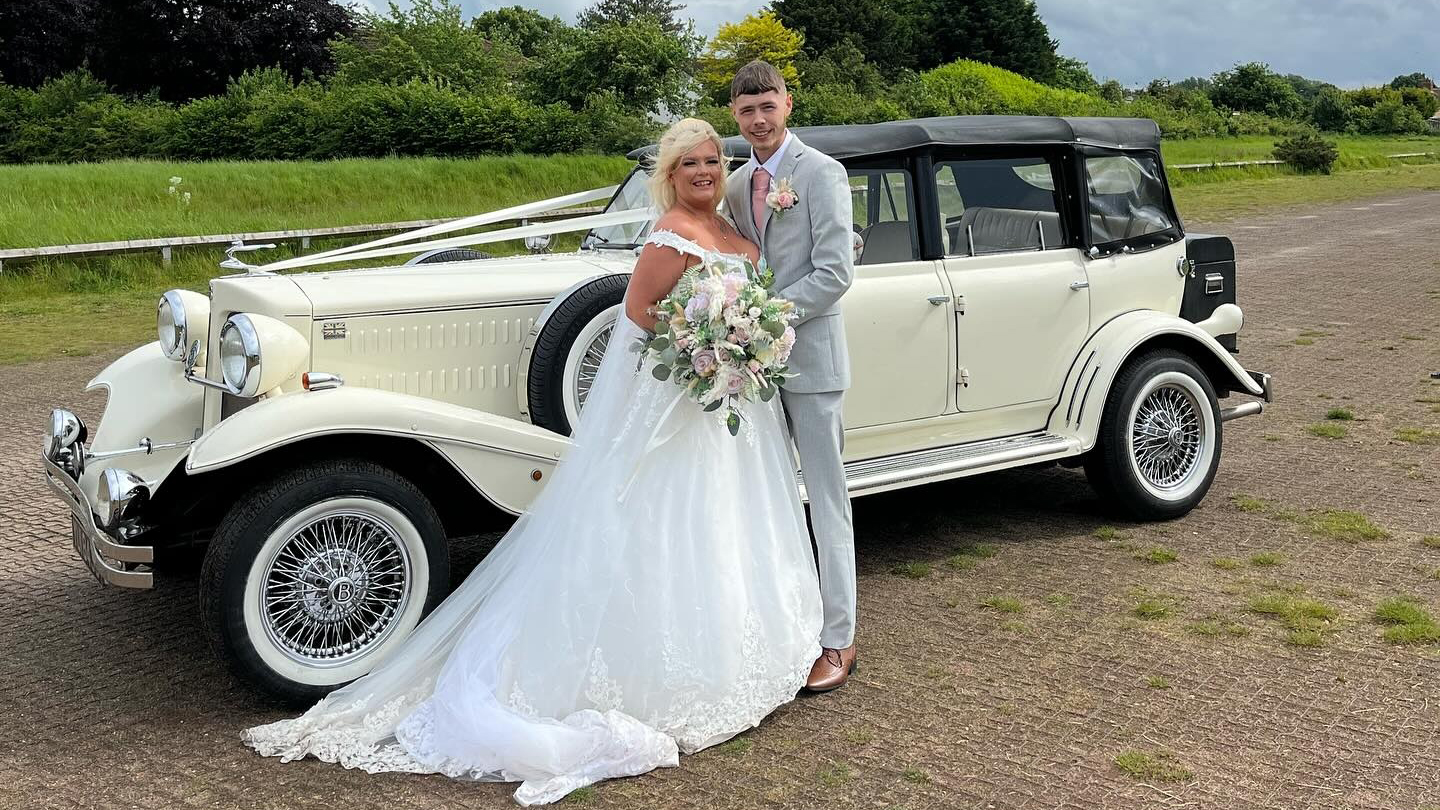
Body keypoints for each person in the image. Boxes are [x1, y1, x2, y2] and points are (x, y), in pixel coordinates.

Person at [242, 117, 824, 805]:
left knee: (729, 519)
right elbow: (639, 314)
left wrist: (737, 343)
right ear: (669, 174)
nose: (703, 170)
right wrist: (709, 343)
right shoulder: (670, 235)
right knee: (667, 522)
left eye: (711, 160)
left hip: (730, 404)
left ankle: (747, 640)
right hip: (684, 397)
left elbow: (754, 296)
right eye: (690, 163)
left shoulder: (735, 231)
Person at [724, 60, 858, 691]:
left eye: (767, 106)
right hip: (752, 371)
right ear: (735, 115)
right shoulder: (734, 184)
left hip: (810, 362)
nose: (759, 120)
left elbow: (835, 272)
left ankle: (838, 639)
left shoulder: (822, 174)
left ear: (787, 103)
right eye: (747, 110)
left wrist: (764, 317)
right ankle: (781, 627)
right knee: (767, 500)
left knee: (827, 501)